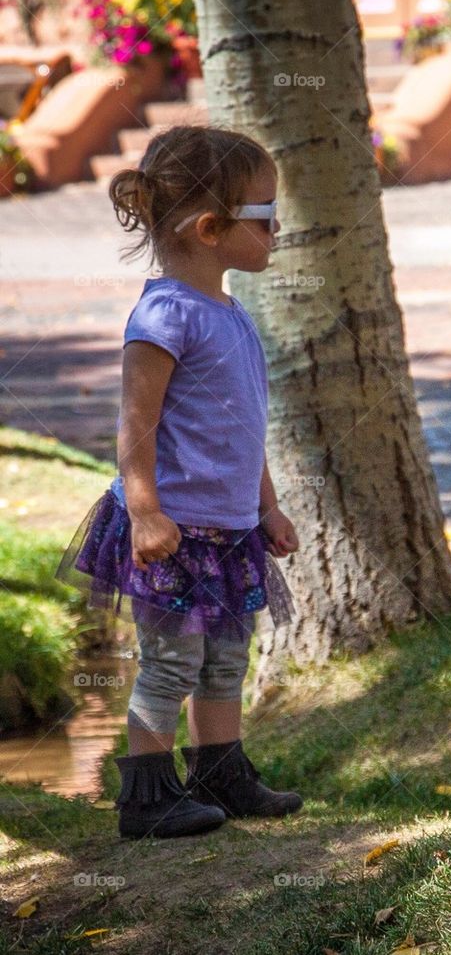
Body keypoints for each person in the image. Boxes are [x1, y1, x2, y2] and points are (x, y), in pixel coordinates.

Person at [56, 125, 304, 839]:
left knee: (227, 655)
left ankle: (220, 772)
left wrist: (267, 505)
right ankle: (145, 797)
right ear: (209, 227)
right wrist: (145, 511)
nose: (277, 226)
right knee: (171, 659)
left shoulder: (232, 313)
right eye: (264, 213)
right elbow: (136, 424)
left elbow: (244, 424)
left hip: (229, 530)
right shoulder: (164, 315)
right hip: (171, 530)